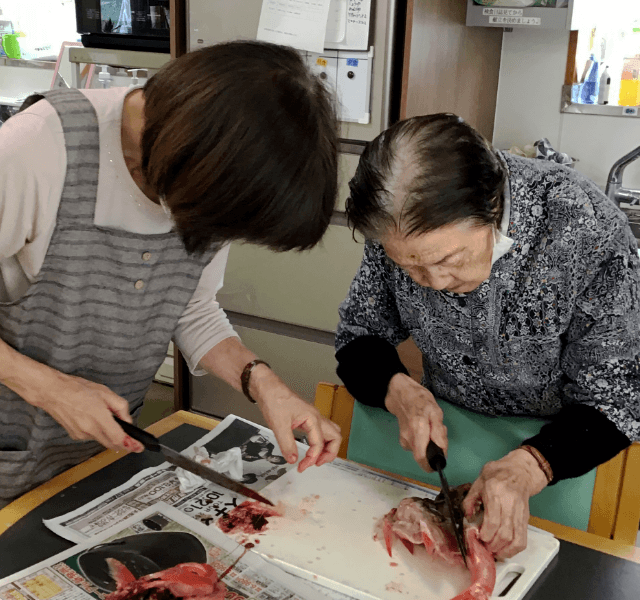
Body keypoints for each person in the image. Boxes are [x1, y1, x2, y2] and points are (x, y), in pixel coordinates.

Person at [0, 40, 342, 508]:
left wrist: (265, 385)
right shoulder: (37, 148)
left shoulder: (206, 177)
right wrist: (51, 389)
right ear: (198, 162)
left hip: (99, 455)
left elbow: (192, 307)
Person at [335, 114, 639, 559]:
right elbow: (359, 336)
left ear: (492, 206)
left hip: (563, 454)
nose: (434, 282)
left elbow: (619, 399)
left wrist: (532, 466)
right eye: (410, 268)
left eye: (451, 259)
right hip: (447, 438)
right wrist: (398, 390)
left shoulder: (585, 228)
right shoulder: (396, 229)